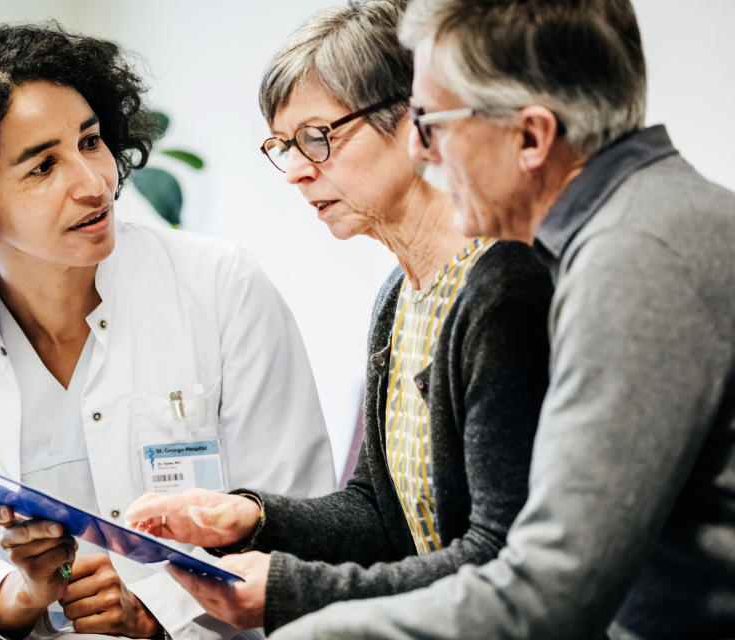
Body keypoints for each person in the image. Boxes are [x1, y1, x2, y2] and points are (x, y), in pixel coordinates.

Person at [265, 0, 735, 638]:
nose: (422, 150)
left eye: (432, 121)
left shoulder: (632, 259)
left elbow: (551, 590)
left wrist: (311, 629)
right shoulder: (644, 224)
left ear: (532, 136)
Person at [0, 24, 335, 640]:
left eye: (91, 141)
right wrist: (26, 593)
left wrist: (153, 610)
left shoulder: (219, 286)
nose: (93, 182)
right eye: (43, 166)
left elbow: (300, 520)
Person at [125, 1, 553, 634]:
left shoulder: (503, 286)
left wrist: (292, 589)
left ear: (414, 118)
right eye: (283, 146)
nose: (297, 171)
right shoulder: (396, 297)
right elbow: (380, 515)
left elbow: (502, 555)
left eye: (316, 137)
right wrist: (249, 517)